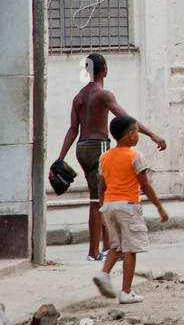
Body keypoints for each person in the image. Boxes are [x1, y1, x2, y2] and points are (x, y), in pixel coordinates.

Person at [56, 53, 166, 261]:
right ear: (104, 68)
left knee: (97, 198)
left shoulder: (78, 97)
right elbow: (125, 120)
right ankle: (95, 251)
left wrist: (60, 157)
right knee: (101, 199)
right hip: (99, 146)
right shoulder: (104, 95)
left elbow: (73, 129)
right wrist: (152, 134)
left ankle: (105, 248)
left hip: (82, 147)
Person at [92, 115, 168, 304]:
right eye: (136, 131)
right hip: (128, 205)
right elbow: (146, 186)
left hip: (109, 205)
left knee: (116, 246)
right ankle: (126, 292)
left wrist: (102, 208)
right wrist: (160, 208)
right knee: (130, 249)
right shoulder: (135, 157)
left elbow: (101, 186)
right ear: (130, 135)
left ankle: (104, 274)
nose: (138, 135)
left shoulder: (105, 157)